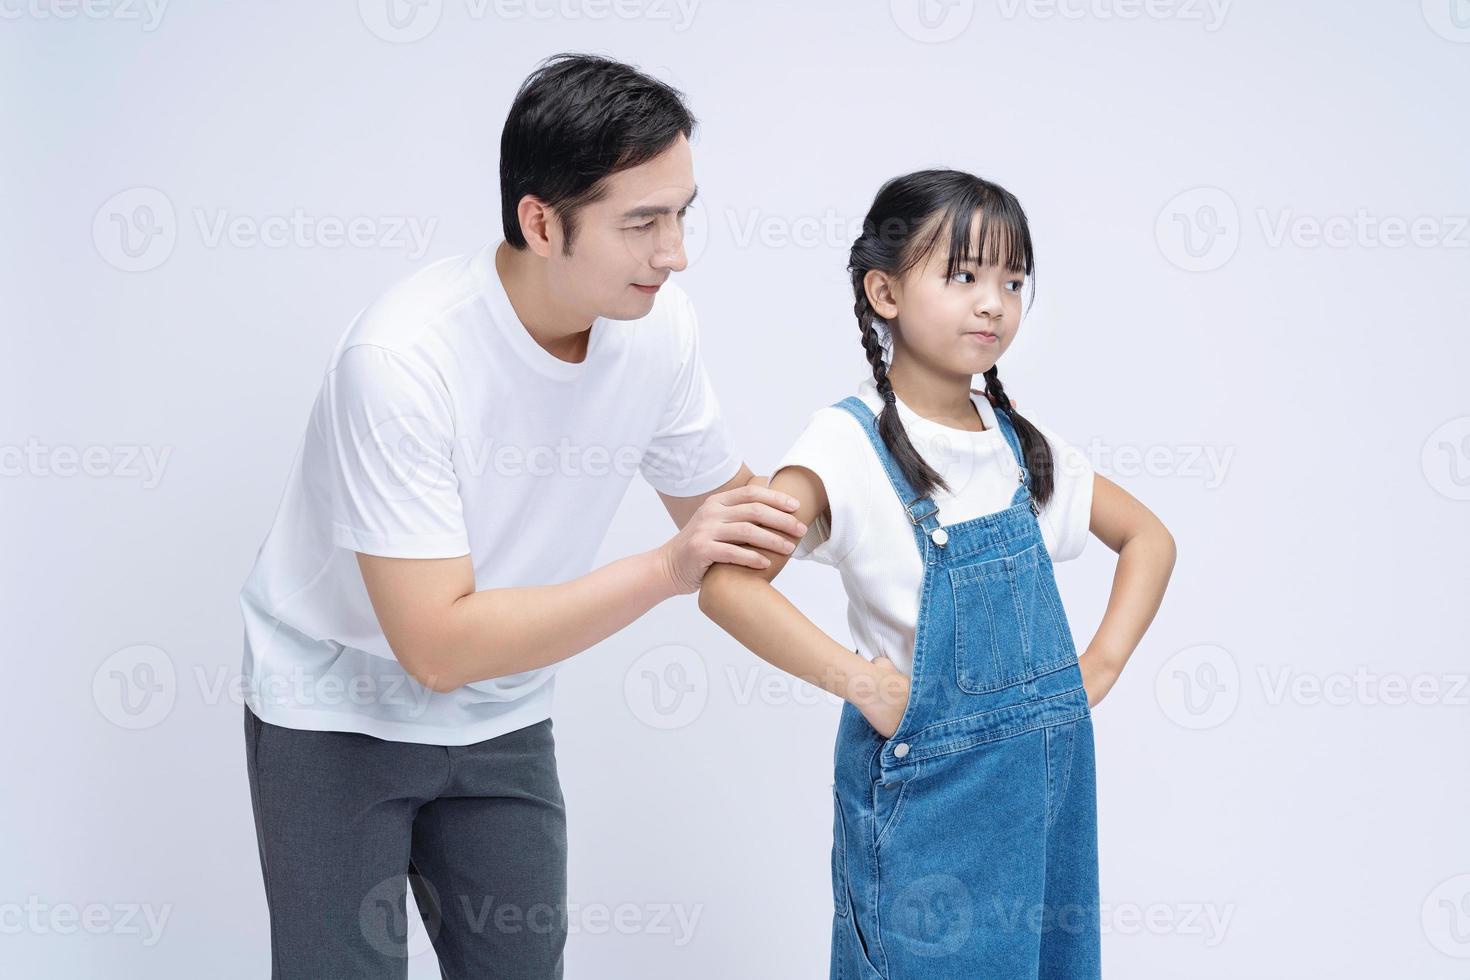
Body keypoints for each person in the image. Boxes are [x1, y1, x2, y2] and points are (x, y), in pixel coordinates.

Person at [237, 53, 804, 979]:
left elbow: (736, 524)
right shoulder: (401, 361)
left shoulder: (658, 327)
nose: (677, 252)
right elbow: (438, 646)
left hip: (500, 711)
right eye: (643, 223)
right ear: (541, 222)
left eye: (683, 213)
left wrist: (888, 473)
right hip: (334, 705)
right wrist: (666, 569)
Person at [698, 169, 1177, 978]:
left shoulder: (1017, 443)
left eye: (1012, 280)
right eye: (963, 275)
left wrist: (1097, 667)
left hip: (1049, 790)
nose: (993, 302)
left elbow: (1149, 539)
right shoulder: (843, 446)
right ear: (883, 291)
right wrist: (864, 683)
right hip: (929, 797)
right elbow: (727, 586)